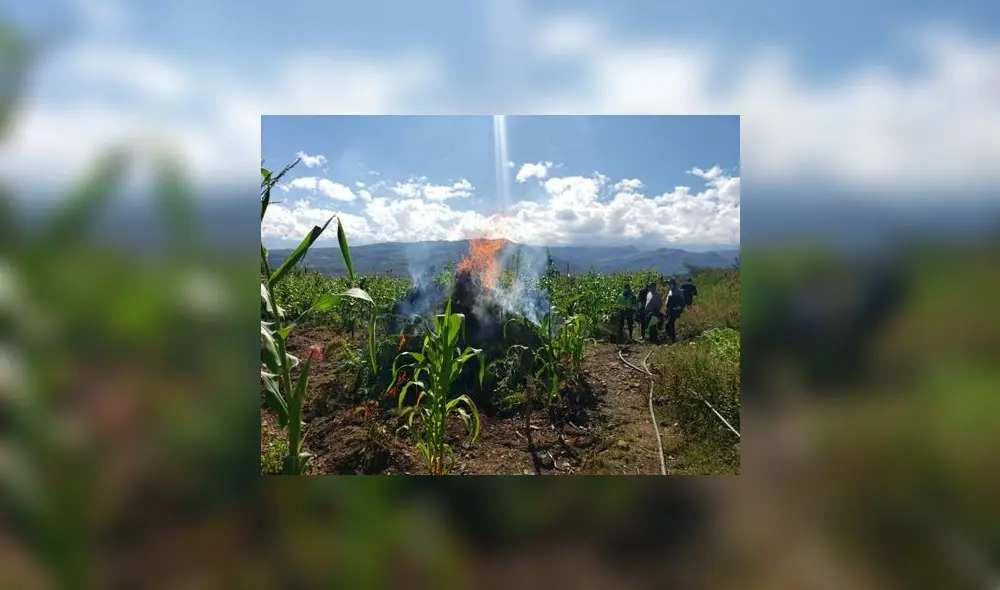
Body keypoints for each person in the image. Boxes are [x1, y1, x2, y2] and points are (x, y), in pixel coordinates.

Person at [664, 278, 686, 343]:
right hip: (668, 310)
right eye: (668, 284)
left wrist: (677, 310)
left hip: (674, 311)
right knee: (669, 324)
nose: (668, 285)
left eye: (670, 284)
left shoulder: (678, 291)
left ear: (673, 284)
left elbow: (682, 303)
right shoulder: (670, 291)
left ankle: (671, 339)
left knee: (669, 324)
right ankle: (671, 338)